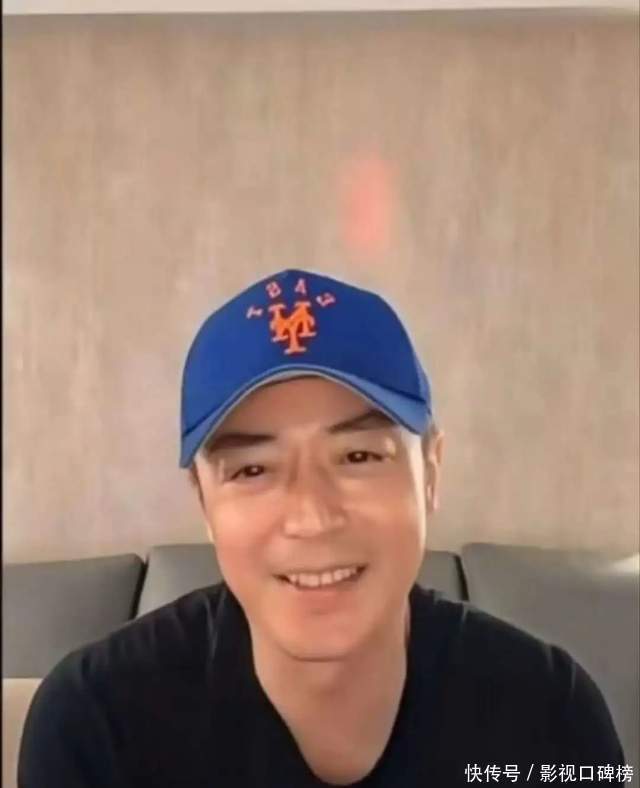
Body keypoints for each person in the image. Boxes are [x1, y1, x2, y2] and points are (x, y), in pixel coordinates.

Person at [18, 269, 625, 787]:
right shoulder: (96, 725)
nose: (311, 517)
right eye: (253, 469)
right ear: (204, 502)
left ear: (431, 472)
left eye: (358, 457)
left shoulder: (552, 715)